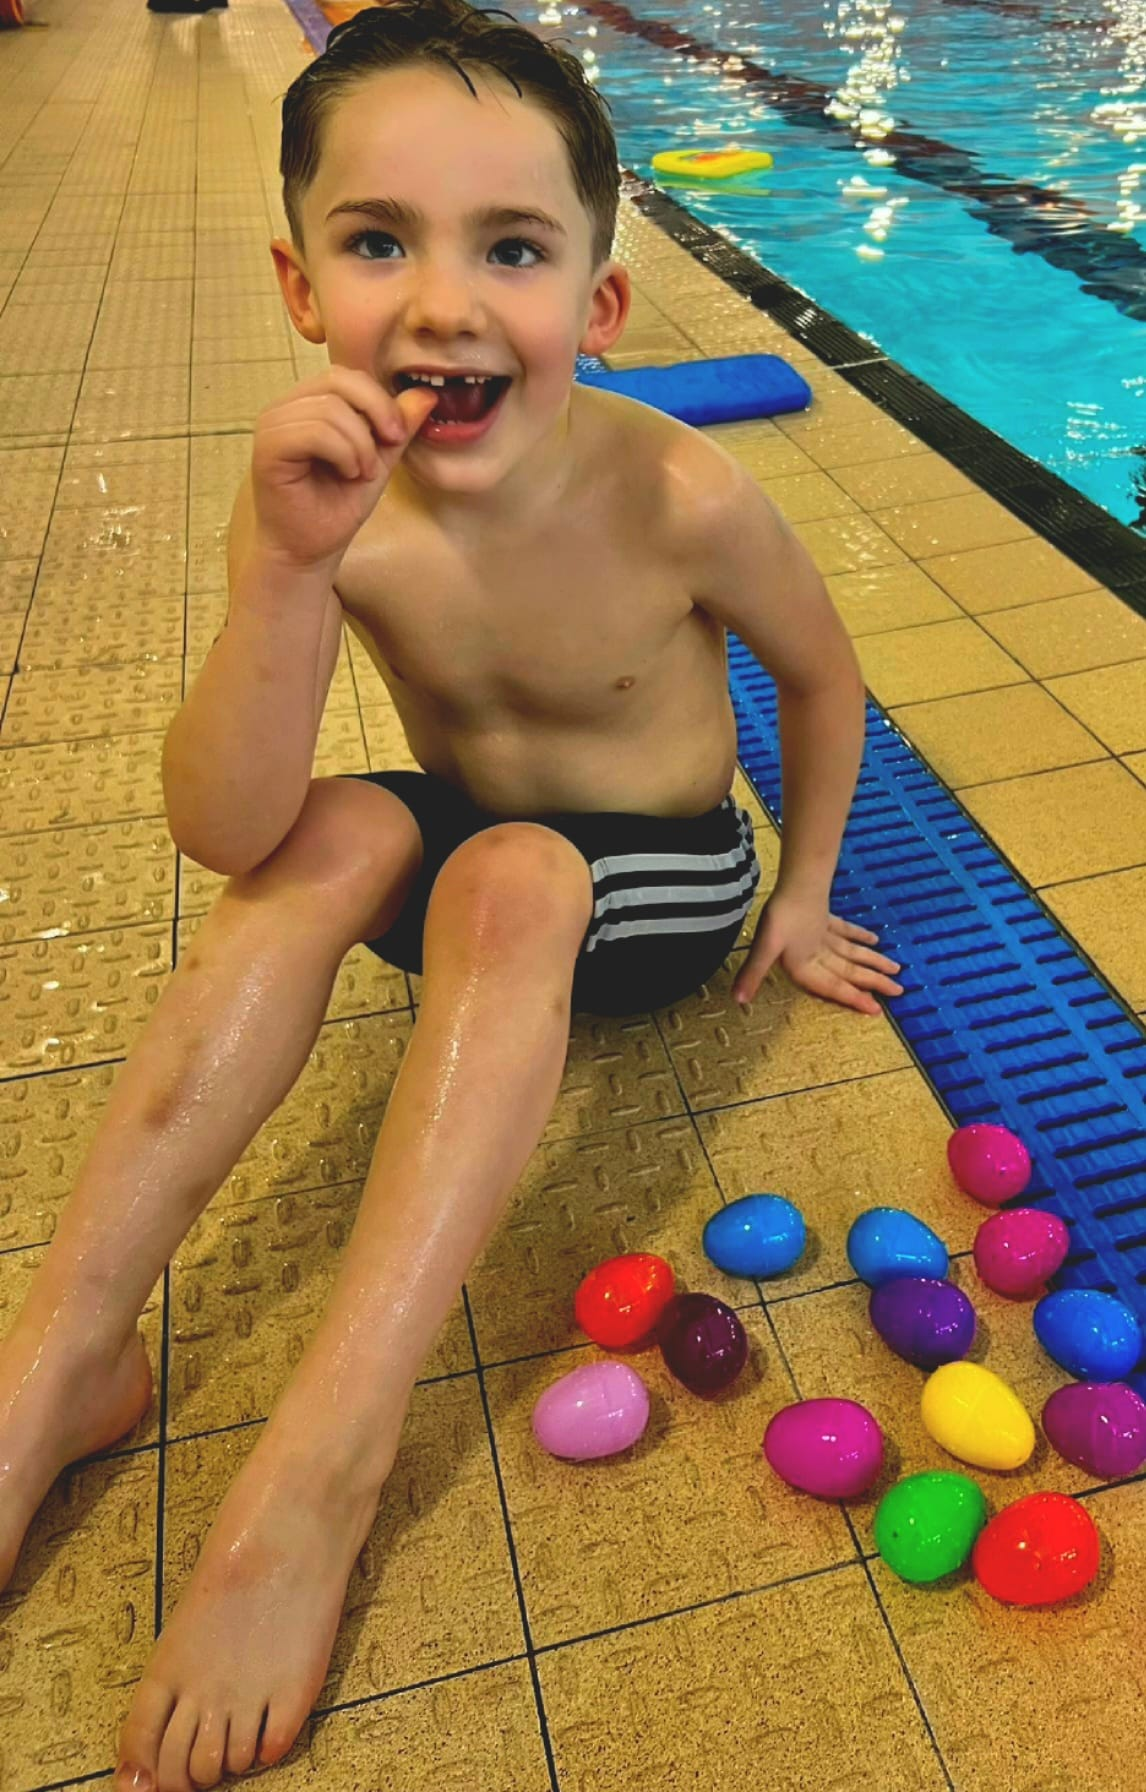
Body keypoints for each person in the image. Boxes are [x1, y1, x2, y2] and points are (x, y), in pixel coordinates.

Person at [0, 2, 903, 1786]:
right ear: (298, 288)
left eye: (509, 249)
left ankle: (317, 1474)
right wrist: (283, 572)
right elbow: (227, 828)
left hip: (653, 892)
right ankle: (56, 1369)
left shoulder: (677, 490)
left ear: (598, 301)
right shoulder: (329, 506)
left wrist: (798, 893)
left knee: (505, 868)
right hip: (482, 859)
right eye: (376, 242)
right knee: (336, 830)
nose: (439, 303)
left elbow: (823, 681)